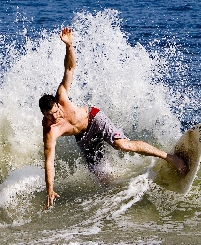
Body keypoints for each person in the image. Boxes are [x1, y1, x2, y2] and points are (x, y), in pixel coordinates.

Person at [39, 27, 188, 210]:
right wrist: (50, 189)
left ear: (56, 104)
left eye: (56, 112)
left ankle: (170, 158)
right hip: (83, 138)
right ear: (44, 115)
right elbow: (49, 163)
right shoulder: (50, 131)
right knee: (105, 180)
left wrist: (69, 46)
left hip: (94, 119)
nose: (55, 117)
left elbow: (69, 68)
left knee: (122, 145)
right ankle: (136, 189)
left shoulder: (61, 96)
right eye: (50, 116)